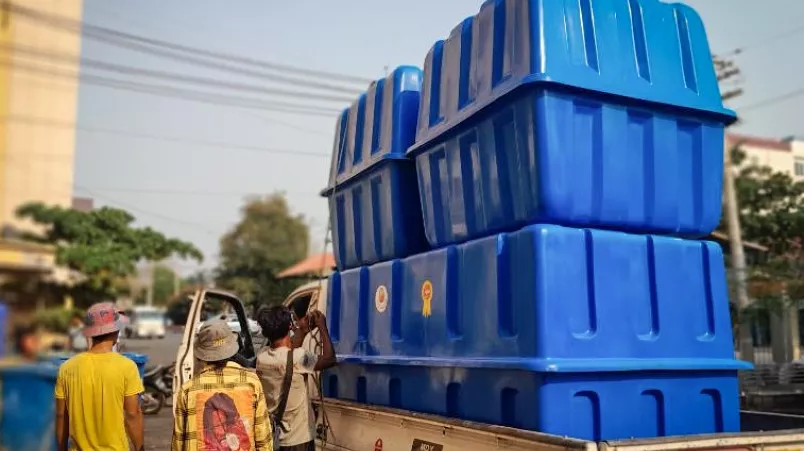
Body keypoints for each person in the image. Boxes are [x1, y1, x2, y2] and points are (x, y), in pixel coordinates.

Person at [54, 302, 144, 451]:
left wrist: (62, 448)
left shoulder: (67, 368)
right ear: (115, 331)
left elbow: (61, 416)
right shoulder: (126, 367)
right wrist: (140, 448)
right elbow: (132, 415)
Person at [172, 320, 272, 451]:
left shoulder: (188, 389)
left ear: (201, 354)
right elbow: (262, 436)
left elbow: (179, 441)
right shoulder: (251, 382)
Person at [256, 306, 337, 451]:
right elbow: (329, 359)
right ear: (290, 326)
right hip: (299, 440)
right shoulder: (298, 358)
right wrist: (322, 327)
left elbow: (288, 355)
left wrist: (303, 330)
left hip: (274, 438)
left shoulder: (261, 358)